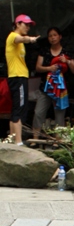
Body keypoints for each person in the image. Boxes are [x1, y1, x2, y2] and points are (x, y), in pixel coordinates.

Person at [33, 27, 74, 136]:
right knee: (38, 112)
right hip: (46, 87)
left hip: (61, 89)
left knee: (59, 114)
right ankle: (35, 137)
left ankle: (58, 139)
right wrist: (49, 68)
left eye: (55, 35)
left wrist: (67, 61)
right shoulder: (44, 51)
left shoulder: (66, 52)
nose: (53, 38)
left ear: (60, 36)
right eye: (50, 36)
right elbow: (38, 68)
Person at [5, 14, 40, 145]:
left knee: (16, 108)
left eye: (29, 25)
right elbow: (19, 39)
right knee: (19, 108)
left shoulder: (17, 40)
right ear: (17, 24)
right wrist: (30, 39)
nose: (28, 27)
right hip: (17, 77)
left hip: (19, 76)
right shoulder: (13, 36)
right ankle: (18, 142)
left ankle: (13, 139)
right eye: (25, 24)